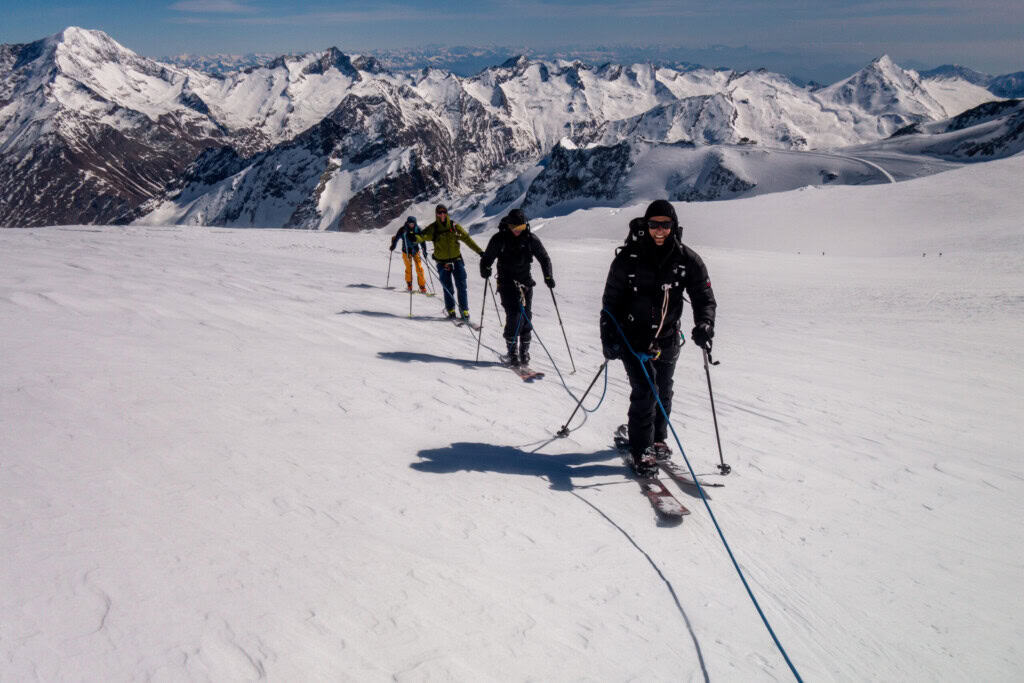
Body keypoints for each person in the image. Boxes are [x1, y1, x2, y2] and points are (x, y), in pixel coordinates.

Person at [600, 199, 717, 476]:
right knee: (646, 390)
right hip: (632, 337)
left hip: (668, 337)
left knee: (663, 389)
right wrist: (609, 336)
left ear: (673, 226)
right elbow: (611, 301)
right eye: (654, 225)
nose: (659, 231)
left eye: (665, 225)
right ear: (647, 225)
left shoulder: (687, 259)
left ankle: (658, 438)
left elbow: (703, 296)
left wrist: (705, 323)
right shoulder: (628, 258)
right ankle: (641, 449)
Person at [479, 208, 554, 367]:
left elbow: (544, 258)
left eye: (521, 228)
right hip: (507, 284)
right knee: (515, 316)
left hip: (526, 284)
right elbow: (487, 258)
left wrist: (548, 276)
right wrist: (485, 268)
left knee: (526, 317)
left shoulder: (530, 239)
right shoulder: (499, 239)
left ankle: (524, 351)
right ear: (508, 226)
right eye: (515, 228)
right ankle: (512, 352)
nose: (517, 231)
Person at [415, 204, 483, 320]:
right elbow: (423, 236)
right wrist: (414, 238)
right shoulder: (433, 228)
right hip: (442, 263)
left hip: (456, 260)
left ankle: (464, 310)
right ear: (436, 214)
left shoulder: (454, 226)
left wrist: (480, 252)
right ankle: (451, 309)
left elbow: (467, 239)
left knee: (461, 286)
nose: (442, 214)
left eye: (444, 212)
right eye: (439, 212)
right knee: (448, 288)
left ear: (447, 213)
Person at [389, 216, 428, 293]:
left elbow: (422, 241)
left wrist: (424, 251)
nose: (411, 225)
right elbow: (396, 238)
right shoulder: (402, 230)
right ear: (407, 223)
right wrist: (393, 246)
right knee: (408, 268)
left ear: (415, 223)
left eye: (413, 223)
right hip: (406, 251)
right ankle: (409, 284)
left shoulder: (418, 230)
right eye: (410, 223)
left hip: (416, 251)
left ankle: (422, 286)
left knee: (419, 268)